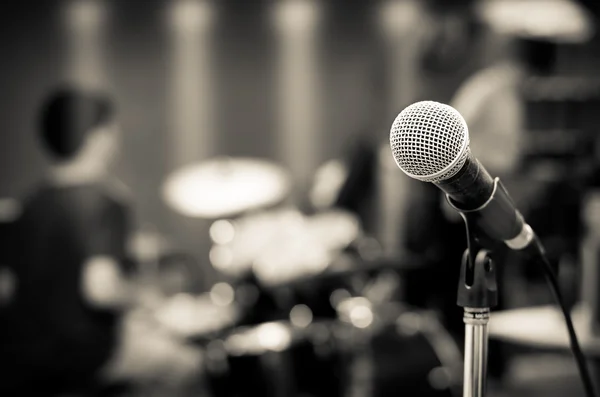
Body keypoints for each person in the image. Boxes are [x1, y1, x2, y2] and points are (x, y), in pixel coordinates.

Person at [0, 86, 202, 396]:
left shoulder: (31, 204)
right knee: (185, 366)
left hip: (26, 359)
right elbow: (100, 289)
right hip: (85, 356)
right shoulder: (105, 199)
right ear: (97, 137)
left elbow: (10, 287)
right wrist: (145, 298)